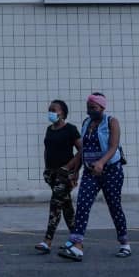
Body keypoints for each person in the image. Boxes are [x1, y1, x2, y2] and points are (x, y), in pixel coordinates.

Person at [59, 93, 130, 261]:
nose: (90, 111)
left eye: (94, 108)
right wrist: (75, 169)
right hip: (91, 172)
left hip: (111, 171)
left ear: (102, 108)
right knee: (83, 203)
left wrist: (101, 162)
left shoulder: (112, 122)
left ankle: (124, 243)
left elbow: (113, 147)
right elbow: (83, 150)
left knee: (114, 206)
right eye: (88, 107)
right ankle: (77, 244)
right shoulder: (86, 123)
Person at [35, 99, 82, 253]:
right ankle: (76, 240)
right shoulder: (49, 129)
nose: (51, 112)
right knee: (67, 207)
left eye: (54, 110)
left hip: (65, 175)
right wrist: (47, 170)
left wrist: (72, 169)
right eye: (49, 109)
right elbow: (47, 150)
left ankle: (47, 241)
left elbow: (82, 151)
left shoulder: (70, 129)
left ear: (62, 112)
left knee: (55, 204)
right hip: (52, 174)